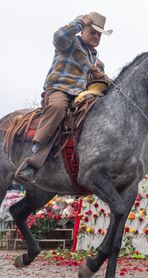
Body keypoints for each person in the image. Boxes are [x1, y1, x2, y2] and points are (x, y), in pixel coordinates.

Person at [15, 12, 113, 184]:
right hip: (60, 90)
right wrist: (80, 22)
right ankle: (34, 154)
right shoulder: (70, 42)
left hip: (82, 97)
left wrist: (105, 80)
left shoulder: (97, 60)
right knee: (58, 108)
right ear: (83, 30)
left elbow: (101, 83)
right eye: (93, 31)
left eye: (99, 34)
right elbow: (59, 36)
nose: (96, 36)